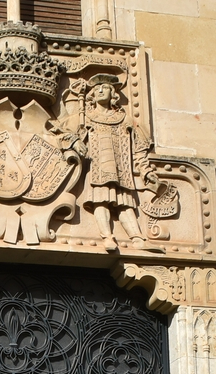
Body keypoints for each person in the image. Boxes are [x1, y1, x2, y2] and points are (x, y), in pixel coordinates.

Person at [71, 73, 163, 252]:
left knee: (125, 203)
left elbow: (139, 148)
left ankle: (137, 238)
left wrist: (145, 171)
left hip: (121, 169)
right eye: (96, 88)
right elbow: (65, 133)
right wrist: (75, 142)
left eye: (104, 87)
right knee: (100, 201)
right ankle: (107, 237)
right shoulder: (86, 118)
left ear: (113, 93)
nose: (99, 91)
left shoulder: (125, 120)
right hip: (97, 167)